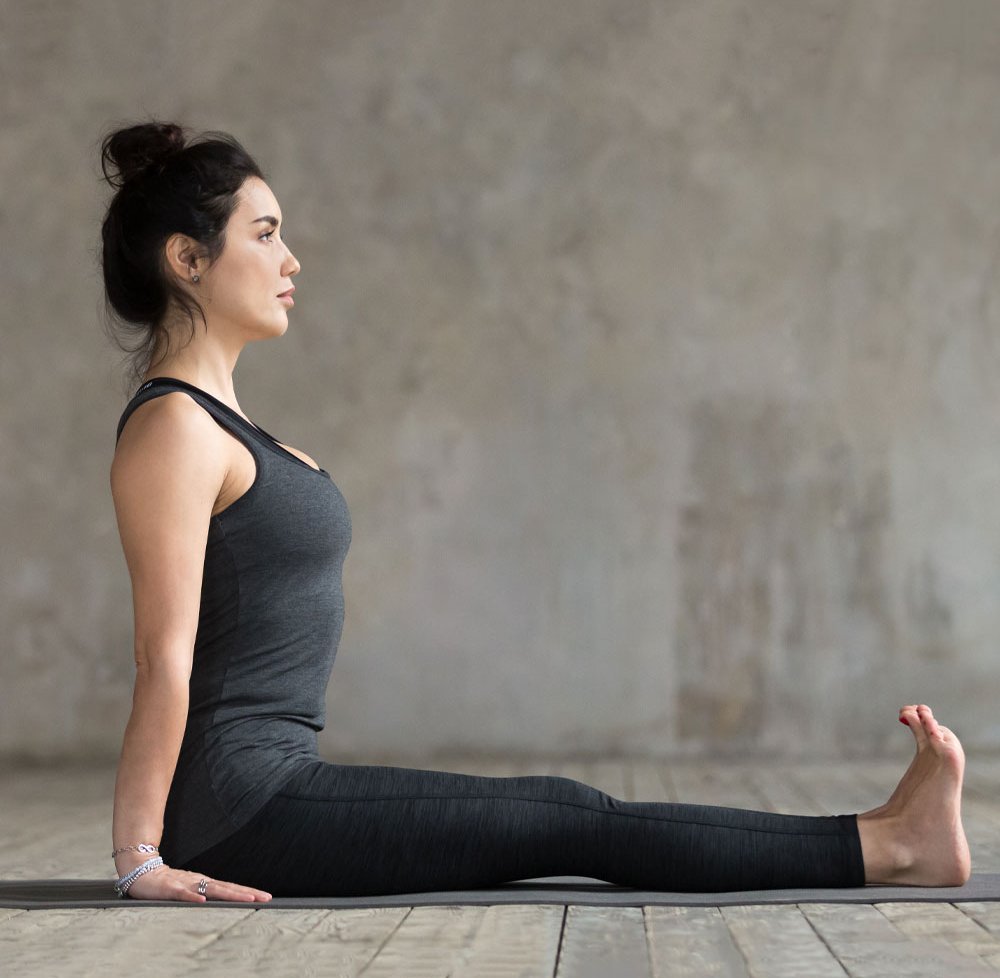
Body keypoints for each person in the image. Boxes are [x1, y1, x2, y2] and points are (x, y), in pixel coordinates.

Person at [101, 120, 971, 902]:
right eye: (265, 233)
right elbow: (160, 657)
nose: (291, 259)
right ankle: (891, 847)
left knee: (561, 809)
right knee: (564, 816)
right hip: (242, 809)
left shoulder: (223, 423)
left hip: (270, 786)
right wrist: (141, 855)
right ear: (188, 260)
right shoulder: (174, 427)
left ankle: (891, 833)